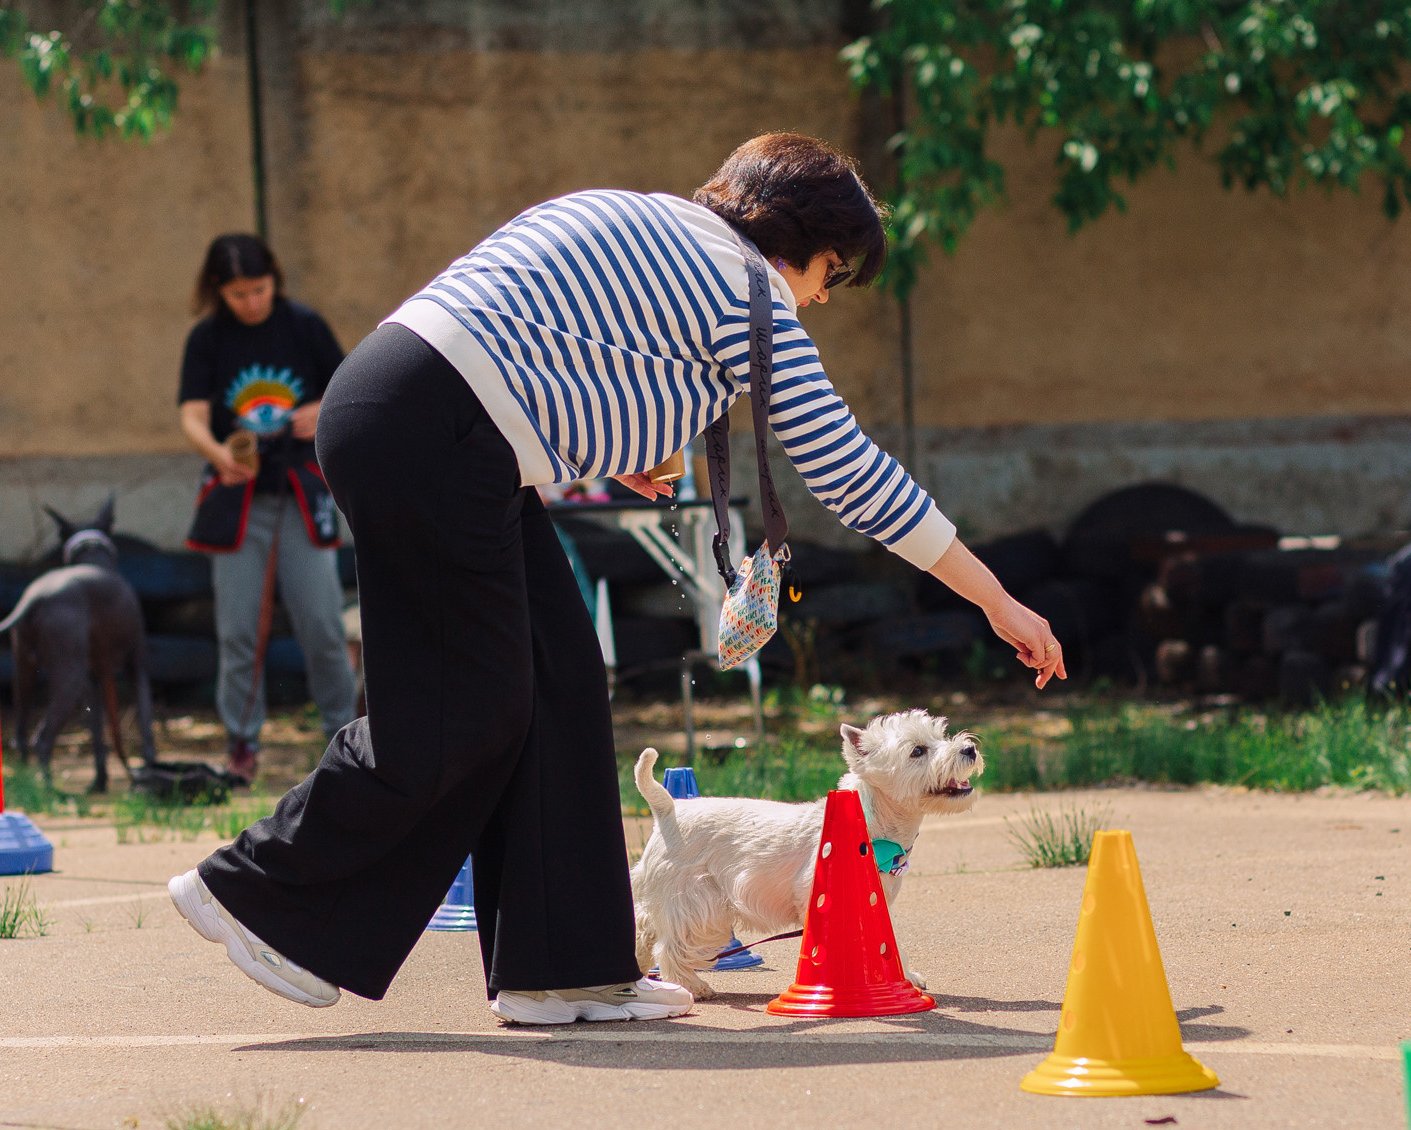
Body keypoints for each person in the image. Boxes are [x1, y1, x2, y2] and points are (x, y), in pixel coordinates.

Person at [166, 134, 1065, 1023]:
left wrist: (609, 440)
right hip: (434, 436)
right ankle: (255, 890)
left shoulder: (646, 217)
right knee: (460, 709)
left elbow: (543, 339)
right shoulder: (750, 293)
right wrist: (996, 598)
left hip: (416, 412)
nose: (824, 294)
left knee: (558, 687)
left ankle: (565, 969)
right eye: (833, 270)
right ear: (802, 239)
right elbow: (846, 471)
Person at [177, 234, 360, 782]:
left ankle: (344, 737)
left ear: (274, 280)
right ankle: (241, 742)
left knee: (322, 625)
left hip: (302, 495)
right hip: (238, 503)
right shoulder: (207, 338)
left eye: (258, 289)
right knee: (237, 629)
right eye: (238, 294)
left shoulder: (304, 325)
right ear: (218, 291)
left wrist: (318, 410)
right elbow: (191, 415)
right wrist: (219, 455)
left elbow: (353, 387)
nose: (251, 301)